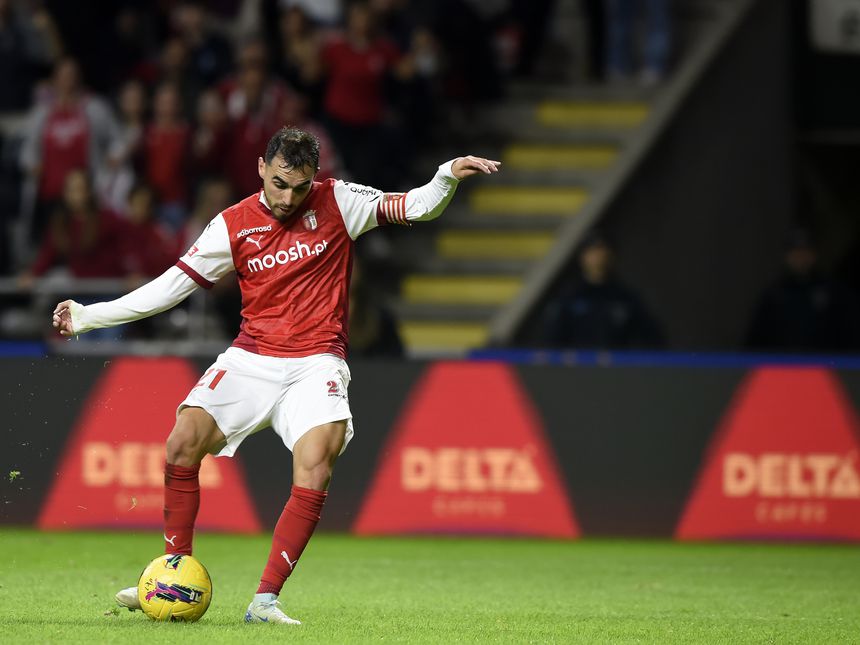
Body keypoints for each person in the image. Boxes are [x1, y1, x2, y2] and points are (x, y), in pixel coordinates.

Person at [51, 126, 500, 625]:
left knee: (317, 459)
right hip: (251, 359)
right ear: (262, 169)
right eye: (280, 183)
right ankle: (169, 573)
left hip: (317, 362)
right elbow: (171, 288)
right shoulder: (232, 224)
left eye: (300, 187)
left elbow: (414, 206)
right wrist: (90, 317)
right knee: (182, 442)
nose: (288, 197)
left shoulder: (339, 201)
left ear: (315, 179)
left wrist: (445, 177)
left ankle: (264, 601)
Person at [543, 230, 663, 349]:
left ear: (611, 254)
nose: (598, 256)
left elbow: (652, 337)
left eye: (602, 249)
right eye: (592, 250)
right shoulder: (569, 297)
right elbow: (552, 341)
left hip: (616, 366)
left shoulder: (626, 297)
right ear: (582, 256)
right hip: (578, 366)